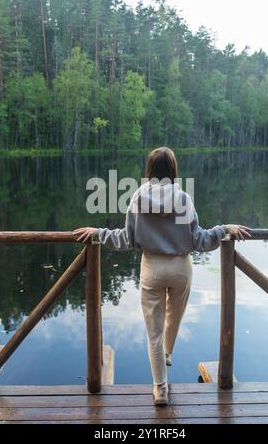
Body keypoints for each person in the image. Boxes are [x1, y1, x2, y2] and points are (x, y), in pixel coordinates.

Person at [74, 147, 251, 406]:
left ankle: (160, 389)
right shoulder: (183, 198)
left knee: (153, 333)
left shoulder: (137, 197)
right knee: (174, 316)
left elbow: (126, 240)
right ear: (173, 171)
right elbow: (200, 240)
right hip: (181, 268)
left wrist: (98, 232)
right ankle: (168, 352)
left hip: (152, 268)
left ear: (149, 171)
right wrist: (224, 228)